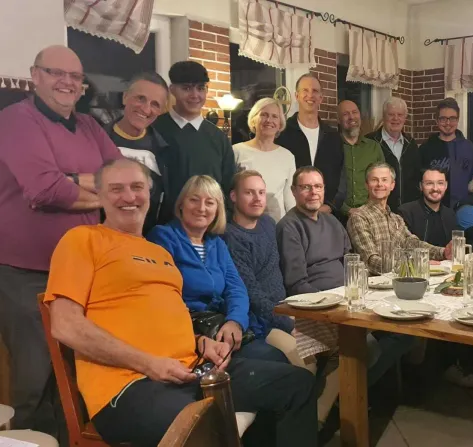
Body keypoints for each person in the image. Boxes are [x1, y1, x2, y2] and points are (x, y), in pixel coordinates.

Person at [43, 158, 317, 447]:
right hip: (130, 386)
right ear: (99, 196)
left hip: (194, 369)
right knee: (210, 430)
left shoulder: (158, 252)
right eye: (116, 189)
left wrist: (201, 342)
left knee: (297, 384)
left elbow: (169, 315)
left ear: (149, 193)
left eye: (137, 187)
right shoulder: (82, 239)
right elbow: (65, 326)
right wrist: (149, 364)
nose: (129, 196)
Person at [0, 45, 122, 435]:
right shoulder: (16, 120)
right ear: (35, 76)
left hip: (80, 270)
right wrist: (95, 189)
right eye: (56, 73)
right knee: (35, 379)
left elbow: (120, 178)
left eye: (75, 76)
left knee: (72, 377)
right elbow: (44, 190)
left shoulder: (87, 125)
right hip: (26, 271)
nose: (67, 82)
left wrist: (69, 180)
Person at [276, 166, 415, 438]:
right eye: (306, 187)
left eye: (318, 186)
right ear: (294, 192)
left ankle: (344, 393)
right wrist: (334, 302)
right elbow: (296, 283)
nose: (313, 192)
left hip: (348, 296)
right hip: (318, 305)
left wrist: (359, 289)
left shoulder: (332, 222)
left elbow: (351, 262)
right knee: (366, 344)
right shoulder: (289, 226)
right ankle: (332, 407)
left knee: (403, 332)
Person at [147, 175, 286, 363]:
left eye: (210, 202)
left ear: (217, 210)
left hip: (221, 326)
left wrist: (235, 321)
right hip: (188, 332)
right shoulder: (162, 237)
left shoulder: (217, 243)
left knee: (276, 359)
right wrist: (195, 338)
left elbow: (236, 288)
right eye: (194, 200)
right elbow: (161, 298)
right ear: (181, 204)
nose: (202, 208)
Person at [223, 170, 305, 367]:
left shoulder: (268, 223)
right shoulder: (229, 235)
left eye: (261, 192)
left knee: (342, 347)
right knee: (305, 359)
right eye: (249, 192)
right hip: (260, 322)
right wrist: (287, 321)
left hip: (286, 307)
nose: (257, 198)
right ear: (234, 196)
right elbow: (251, 293)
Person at [152, 61, 236, 224]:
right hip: (163, 229)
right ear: (172, 90)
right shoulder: (155, 129)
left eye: (200, 88)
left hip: (208, 231)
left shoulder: (218, 138)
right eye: (186, 88)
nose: (195, 95)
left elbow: (228, 187)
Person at [347, 162, 452, 275]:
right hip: (373, 286)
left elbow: (412, 243)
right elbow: (371, 261)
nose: (379, 184)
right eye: (374, 180)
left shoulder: (396, 218)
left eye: (384, 180)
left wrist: (443, 252)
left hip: (400, 281)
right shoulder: (359, 217)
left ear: (392, 185)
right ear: (366, 185)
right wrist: (415, 264)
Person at [106, 71, 170, 234]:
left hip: (145, 243)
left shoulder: (164, 150)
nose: (146, 109)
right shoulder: (98, 140)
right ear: (125, 97)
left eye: (155, 104)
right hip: (101, 241)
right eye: (140, 98)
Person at [275, 73, 344, 216]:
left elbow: (342, 178)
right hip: (293, 214)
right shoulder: (282, 134)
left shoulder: (333, 136)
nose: (310, 95)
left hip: (327, 215)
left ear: (321, 98)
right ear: (296, 95)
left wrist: (330, 206)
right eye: (305, 91)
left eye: (315, 91)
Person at [233, 97, 296, 221]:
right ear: (253, 120)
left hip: (278, 227)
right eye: (264, 115)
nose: (269, 120)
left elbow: (290, 199)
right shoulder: (237, 151)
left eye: (274, 116)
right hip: (244, 225)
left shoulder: (287, 156)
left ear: (280, 125)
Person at [419, 98, 473, 208]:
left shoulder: (468, 148)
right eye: (443, 119)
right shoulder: (425, 148)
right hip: (433, 210)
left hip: (463, 210)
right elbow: (419, 182)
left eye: (452, 118)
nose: (448, 123)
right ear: (437, 120)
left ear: (457, 120)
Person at [366, 97, 421, 210]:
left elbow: (417, 176)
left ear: (405, 117)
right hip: (379, 209)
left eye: (400, 115)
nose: (396, 118)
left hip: (408, 210)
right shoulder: (370, 142)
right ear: (384, 116)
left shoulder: (411, 144)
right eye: (391, 114)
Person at [338, 100, 385, 220]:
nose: (351, 117)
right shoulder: (332, 146)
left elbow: (383, 181)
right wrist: (347, 209)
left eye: (355, 112)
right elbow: (326, 182)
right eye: (345, 114)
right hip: (338, 216)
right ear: (338, 119)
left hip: (370, 216)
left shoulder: (374, 147)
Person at [399, 168, 456, 247]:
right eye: (429, 183)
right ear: (421, 186)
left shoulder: (450, 214)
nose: (435, 188)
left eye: (440, 183)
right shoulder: (406, 212)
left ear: (446, 186)